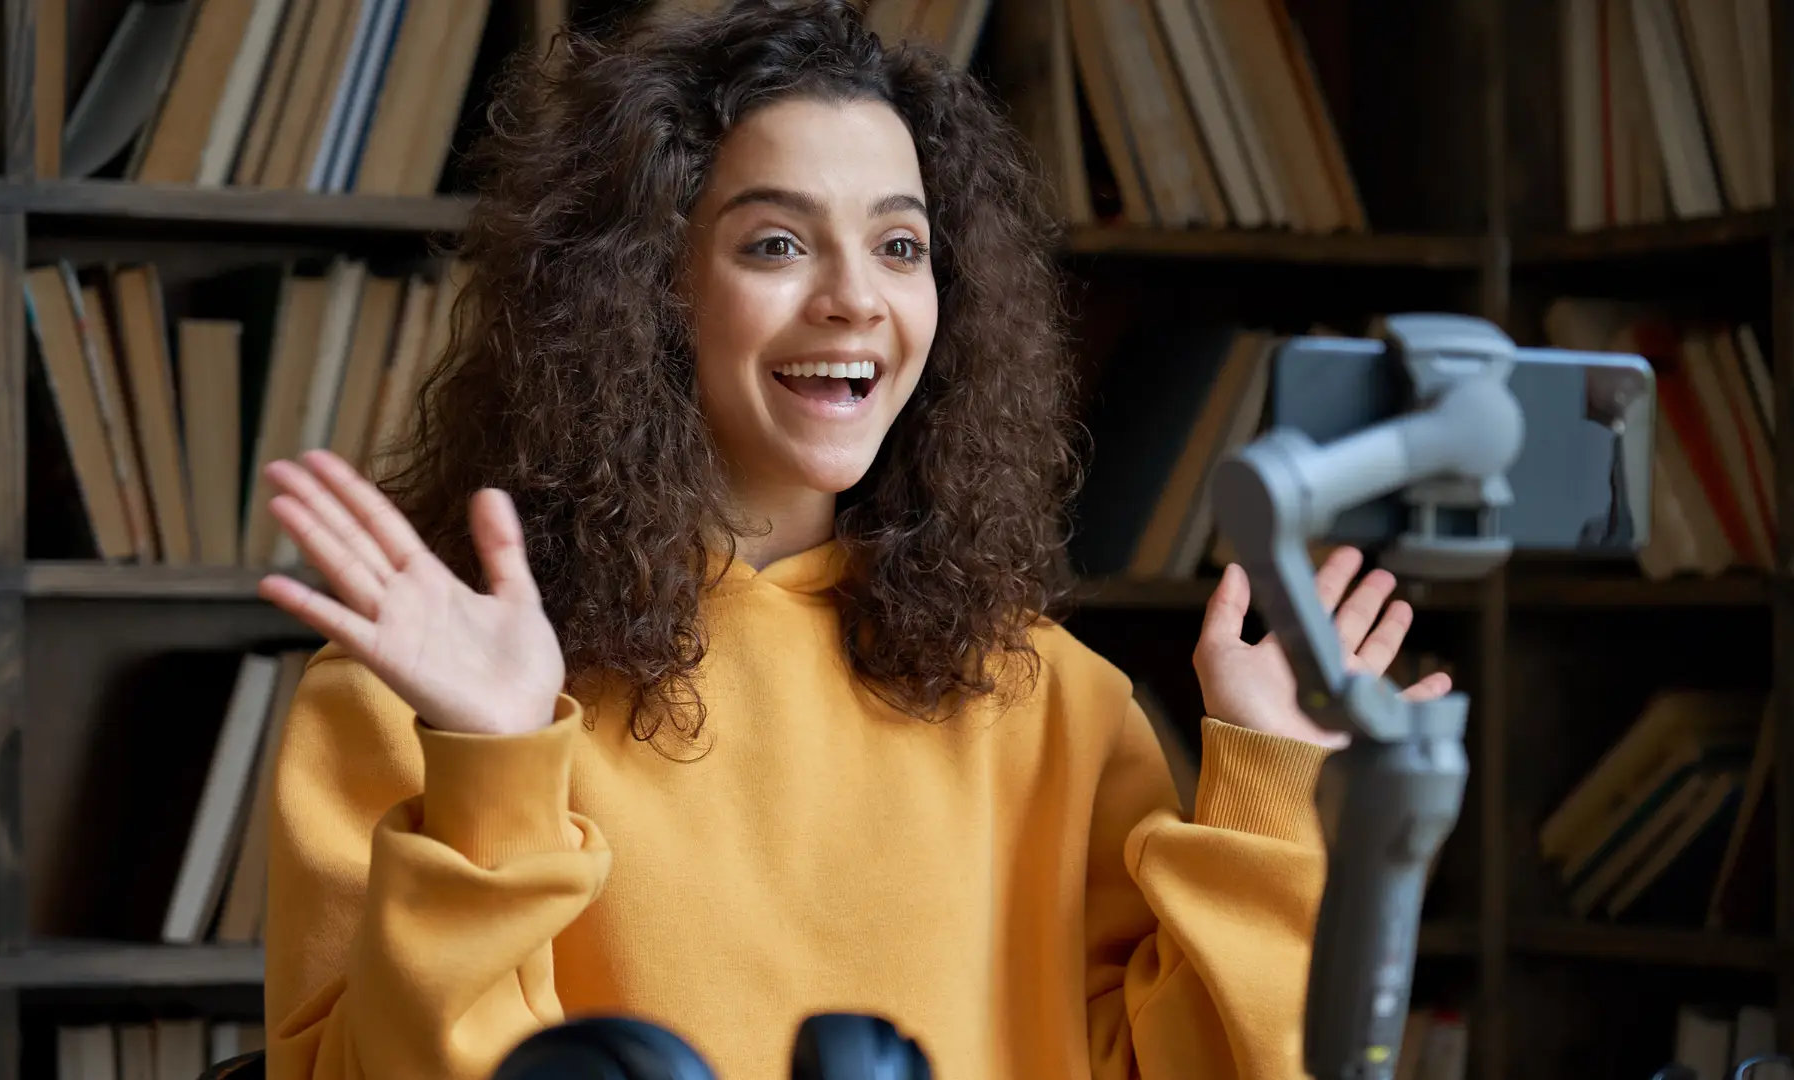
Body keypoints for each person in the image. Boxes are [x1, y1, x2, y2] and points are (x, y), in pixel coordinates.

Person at [255, 2, 1453, 1078]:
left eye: (899, 245)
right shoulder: (412, 694)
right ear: (642, 288)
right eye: (776, 243)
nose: (855, 300)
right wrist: (494, 765)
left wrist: (1264, 790)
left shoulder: (1060, 708)